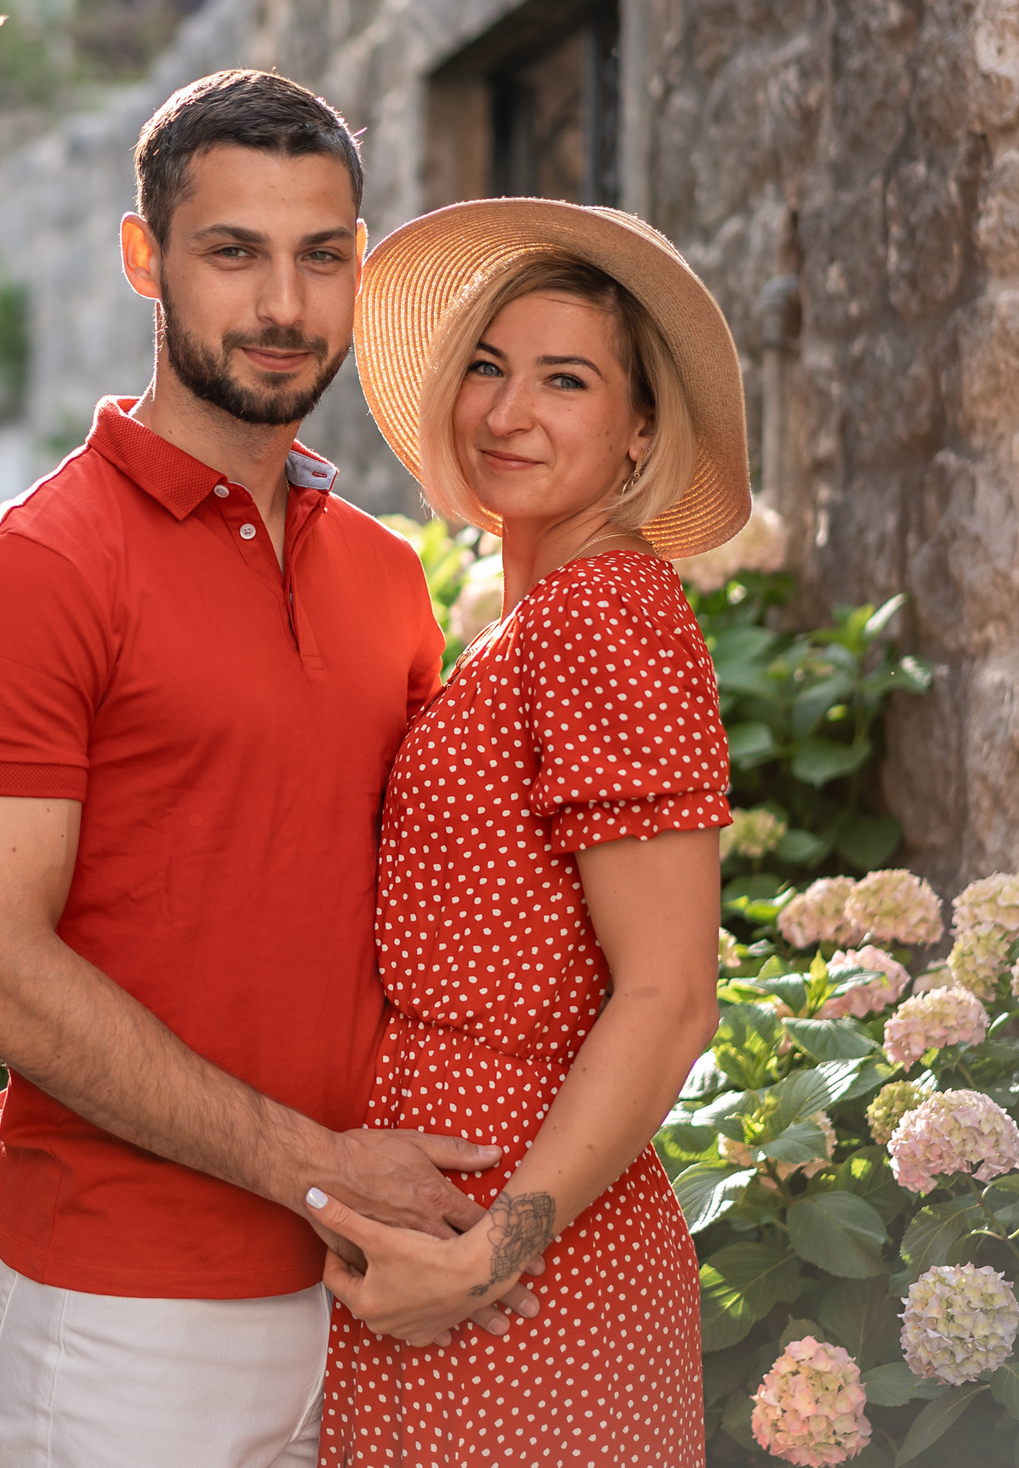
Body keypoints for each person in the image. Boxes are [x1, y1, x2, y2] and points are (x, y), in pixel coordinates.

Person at [0, 71, 541, 1468]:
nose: (283, 305)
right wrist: (314, 1166)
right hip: (126, 1312)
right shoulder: (38, 569)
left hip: (376, 1290)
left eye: (322, 255)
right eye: (232, 251)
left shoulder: (387, 576)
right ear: (147, 258)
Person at [301, 199, 750, 1465]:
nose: (508, 414)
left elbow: (669, 998)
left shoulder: (603, 615)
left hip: (527, 1267)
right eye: (487, 370)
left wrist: (493, 1247)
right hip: (448, 1246)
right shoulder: (522, 627)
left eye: (566, 380)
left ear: (638, 430)